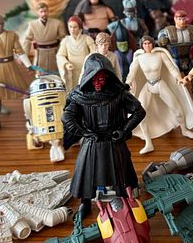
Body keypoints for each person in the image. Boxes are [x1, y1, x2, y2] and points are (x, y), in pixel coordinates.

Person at [62, 53, 146, 218]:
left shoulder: (118, 93)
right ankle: (85, 202)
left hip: (114, 140)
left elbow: (139, 111)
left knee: (121, 174)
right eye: (93, 79)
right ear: (87, 77)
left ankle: (124, 198)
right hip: (92, 141)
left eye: (101, 79)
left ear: (107, 77)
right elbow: (67, 117)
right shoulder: (80, 95)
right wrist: (84, 132)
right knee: (87, 174)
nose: (97, 83)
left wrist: (123, 130)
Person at [126, 36, 193, 154]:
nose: (147, 46)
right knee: (140, 112)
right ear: (141, 45)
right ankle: (148, 142)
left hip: (160, 84)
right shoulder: (139, 58)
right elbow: (131, 73)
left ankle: (184, 129)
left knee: (176, 108)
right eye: (144, 44)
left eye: (149, 43)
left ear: (153, 44)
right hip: (148, 86)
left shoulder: (160, 55)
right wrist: (128, 82)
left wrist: (179, 78)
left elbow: (171, 68)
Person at [0, 14, 33, 133]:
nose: (0, 26)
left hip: (12, 66)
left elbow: (19, 51)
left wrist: (28, 65)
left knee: (25, 93)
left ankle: (30, 119)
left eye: (2, 23)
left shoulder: (12, 35)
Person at [158, 9, 193, 112]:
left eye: (184, 19)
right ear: (175, 19)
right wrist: (162, 41)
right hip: (174, 61)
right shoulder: (166, 32)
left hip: (187, 60)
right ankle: (174, 109)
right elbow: (160, 45)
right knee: (172, 85)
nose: (182, 21)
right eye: (179, 19)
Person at [23, 2, 66, 74]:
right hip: (40, 54)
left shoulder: (57, 23)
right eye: (41, 12)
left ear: (48, 11)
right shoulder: (32, 24)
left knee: (56, 75)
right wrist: (25, 56)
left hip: (54, 53)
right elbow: (27, 39)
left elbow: (63, 39)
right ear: (38, 12)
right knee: (41, 75)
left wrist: (64, 53)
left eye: (45, 11)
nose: (44, 14)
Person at [56, 15, 95, 91]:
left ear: (80, 27)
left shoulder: (87, 39)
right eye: (70, 27)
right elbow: (60, 55)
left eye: (75, 27)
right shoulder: (66, 41)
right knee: (73, 90)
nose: (72, 29)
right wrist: (66, 64)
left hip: (86, 70)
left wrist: (89, 64)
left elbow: (94, 53)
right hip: (72, 71)